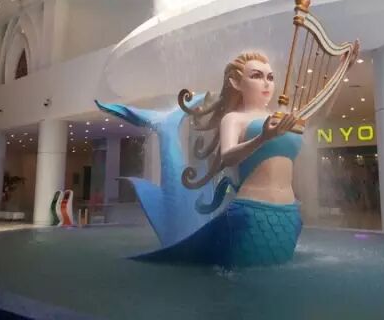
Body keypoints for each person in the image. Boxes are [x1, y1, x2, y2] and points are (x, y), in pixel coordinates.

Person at [98, 49, 358, 267]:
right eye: (256, 76)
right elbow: (228, 157)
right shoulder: (234, 119)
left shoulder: (283, 117)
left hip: (288, 214)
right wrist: (262, 137)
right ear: (235, 82)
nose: (266, 83)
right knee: (248, 284)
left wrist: (342, 70)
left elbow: (318, 115)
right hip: (253, 213)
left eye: (270, 77)